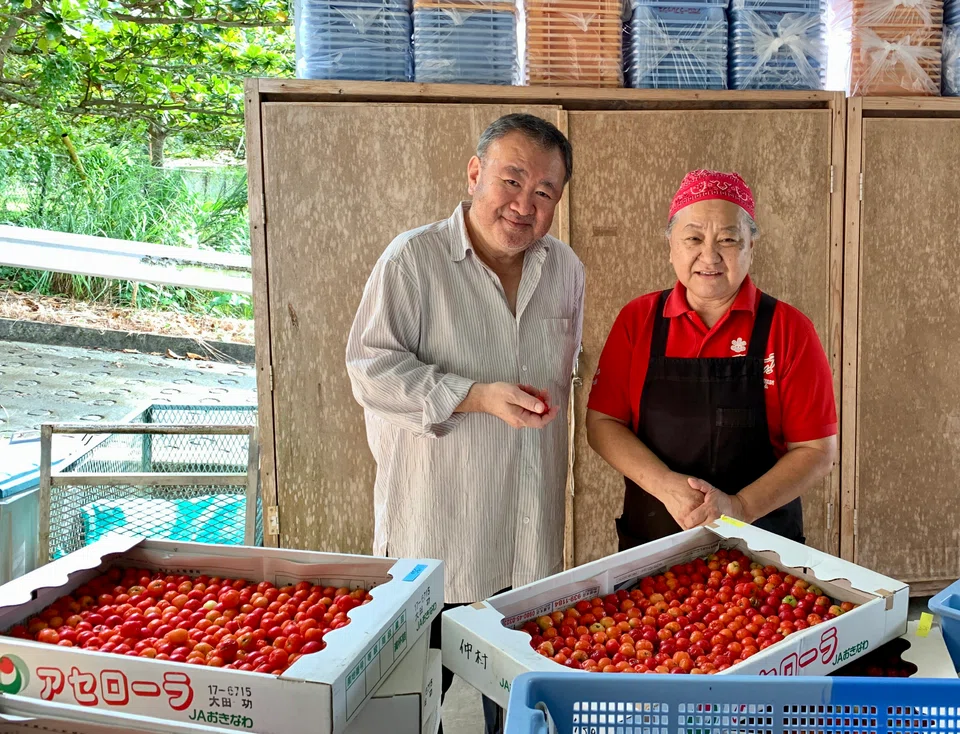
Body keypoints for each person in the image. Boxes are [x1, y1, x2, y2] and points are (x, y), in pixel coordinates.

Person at [346, 113, 583, 734]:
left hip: (530, 545)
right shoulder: (415, 260)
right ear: (475, 173)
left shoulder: (566, 270)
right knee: (410, 714)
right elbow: (369, 370)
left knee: (520, 712)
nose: (523, 205)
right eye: (511, 180)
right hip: (438, 536)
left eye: (543, 192)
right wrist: (474, 396)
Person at [586, 169, 837, 550]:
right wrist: (666, 486)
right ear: (671, 245)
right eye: (693, 238)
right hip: (653, 544)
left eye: (728, 239)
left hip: (761, 551)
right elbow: (603, 423)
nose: (710, 255)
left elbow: (817, 451)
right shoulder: (638, 321)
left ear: (752, 245)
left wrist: (738, 506)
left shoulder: (789, 330)